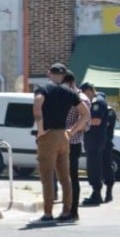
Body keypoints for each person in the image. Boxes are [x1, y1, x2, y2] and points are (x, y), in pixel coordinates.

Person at [32, 63, 89, 224]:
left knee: (47, 175)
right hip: (64, 136)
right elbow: (85, 114)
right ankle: (66, 211)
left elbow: (38, 104)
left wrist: (41, 129)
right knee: (65, 176)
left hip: (49, 135)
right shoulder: (69, 92)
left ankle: (48, 213)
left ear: (49, 73)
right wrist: (72, 130)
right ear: (63, 76)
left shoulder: (44, 88)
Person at [80, 82, 109, 206]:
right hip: (93, 139)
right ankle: (95, 193)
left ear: (90, 91)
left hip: (95, 139)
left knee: (94, 166)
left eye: (84, 93)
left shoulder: (97, 102)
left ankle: (96, 194)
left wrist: (81, 122)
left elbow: (96, 121)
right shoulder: (95, 101)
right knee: (93, 166)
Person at [100, 93, 117, 203]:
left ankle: (109, 193)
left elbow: (104, 124)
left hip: (105, 144)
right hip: (98, 143)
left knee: (107, 168)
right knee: (99, 169)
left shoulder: (109, 111)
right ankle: (99, 193)